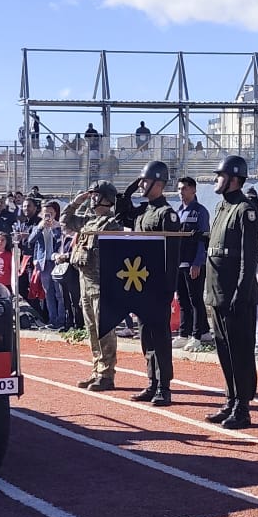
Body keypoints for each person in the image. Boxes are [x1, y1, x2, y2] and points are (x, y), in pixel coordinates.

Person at [203, 155, 258, 429]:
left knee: (240, 352)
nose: (216, 179)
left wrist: (240, 292)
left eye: (220, 175)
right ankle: (230, 399)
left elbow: (247, 257)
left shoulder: (245, 209)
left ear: (234, 178)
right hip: (217, 291)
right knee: (224, 350)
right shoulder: (220, 207)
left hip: (236, 294)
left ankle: (243, 407)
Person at [116, 160, 182, 405]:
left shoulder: (167, 214)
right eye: (141, 181)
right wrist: (132, 187)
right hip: (141, 283)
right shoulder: (143, 211)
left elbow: (172, 254)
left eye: (146, 180)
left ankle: (164, 386)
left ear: (158, 182)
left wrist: (168, 287)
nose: (142, 184)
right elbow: (121, 212)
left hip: (158, 285)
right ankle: (151, 382)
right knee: (146, 336)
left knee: (160, 336)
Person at [64, 182, 122, 390]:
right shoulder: (89, 220)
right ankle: (97, 369)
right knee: (91, 328)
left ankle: (107, 373)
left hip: (101, 282)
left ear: (106, 198)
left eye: (95, 195)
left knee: (103, 328)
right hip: (85, 280)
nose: (92, 199)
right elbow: (66, 221)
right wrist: (76, 202)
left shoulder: (111, 223)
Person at [173, 176, 211, 347]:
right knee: (182, 300)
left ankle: (196, 336)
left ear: (193, 190)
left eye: (185, 188)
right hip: (179, 263)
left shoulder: (200, 211)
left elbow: (203, 239)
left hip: (193, 263)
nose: (181, 192)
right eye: (179, 189)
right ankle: (184, 333)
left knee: (195, 299)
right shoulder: (178, 211)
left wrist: (197, 262)